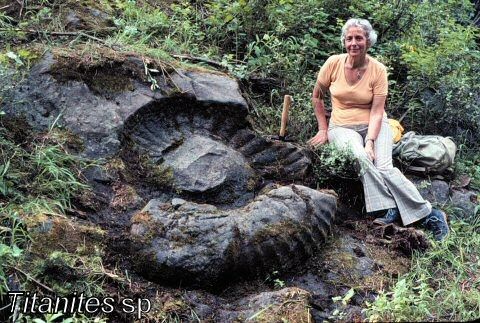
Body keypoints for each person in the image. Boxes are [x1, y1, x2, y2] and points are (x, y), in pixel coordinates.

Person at [307, 18, 449, 241]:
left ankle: (431, 215)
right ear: (344, 41)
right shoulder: (333, 63)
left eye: (359, 38)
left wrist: (370, 141)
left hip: (375, 123)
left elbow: (376, 111)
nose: (354, 43)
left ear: (368, 41)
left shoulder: (378, 70)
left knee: (384, 167)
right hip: (341, 126)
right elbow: (317, 96)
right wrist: (323, 129)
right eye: (350, 38)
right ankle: (388, 208)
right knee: (360, 156)